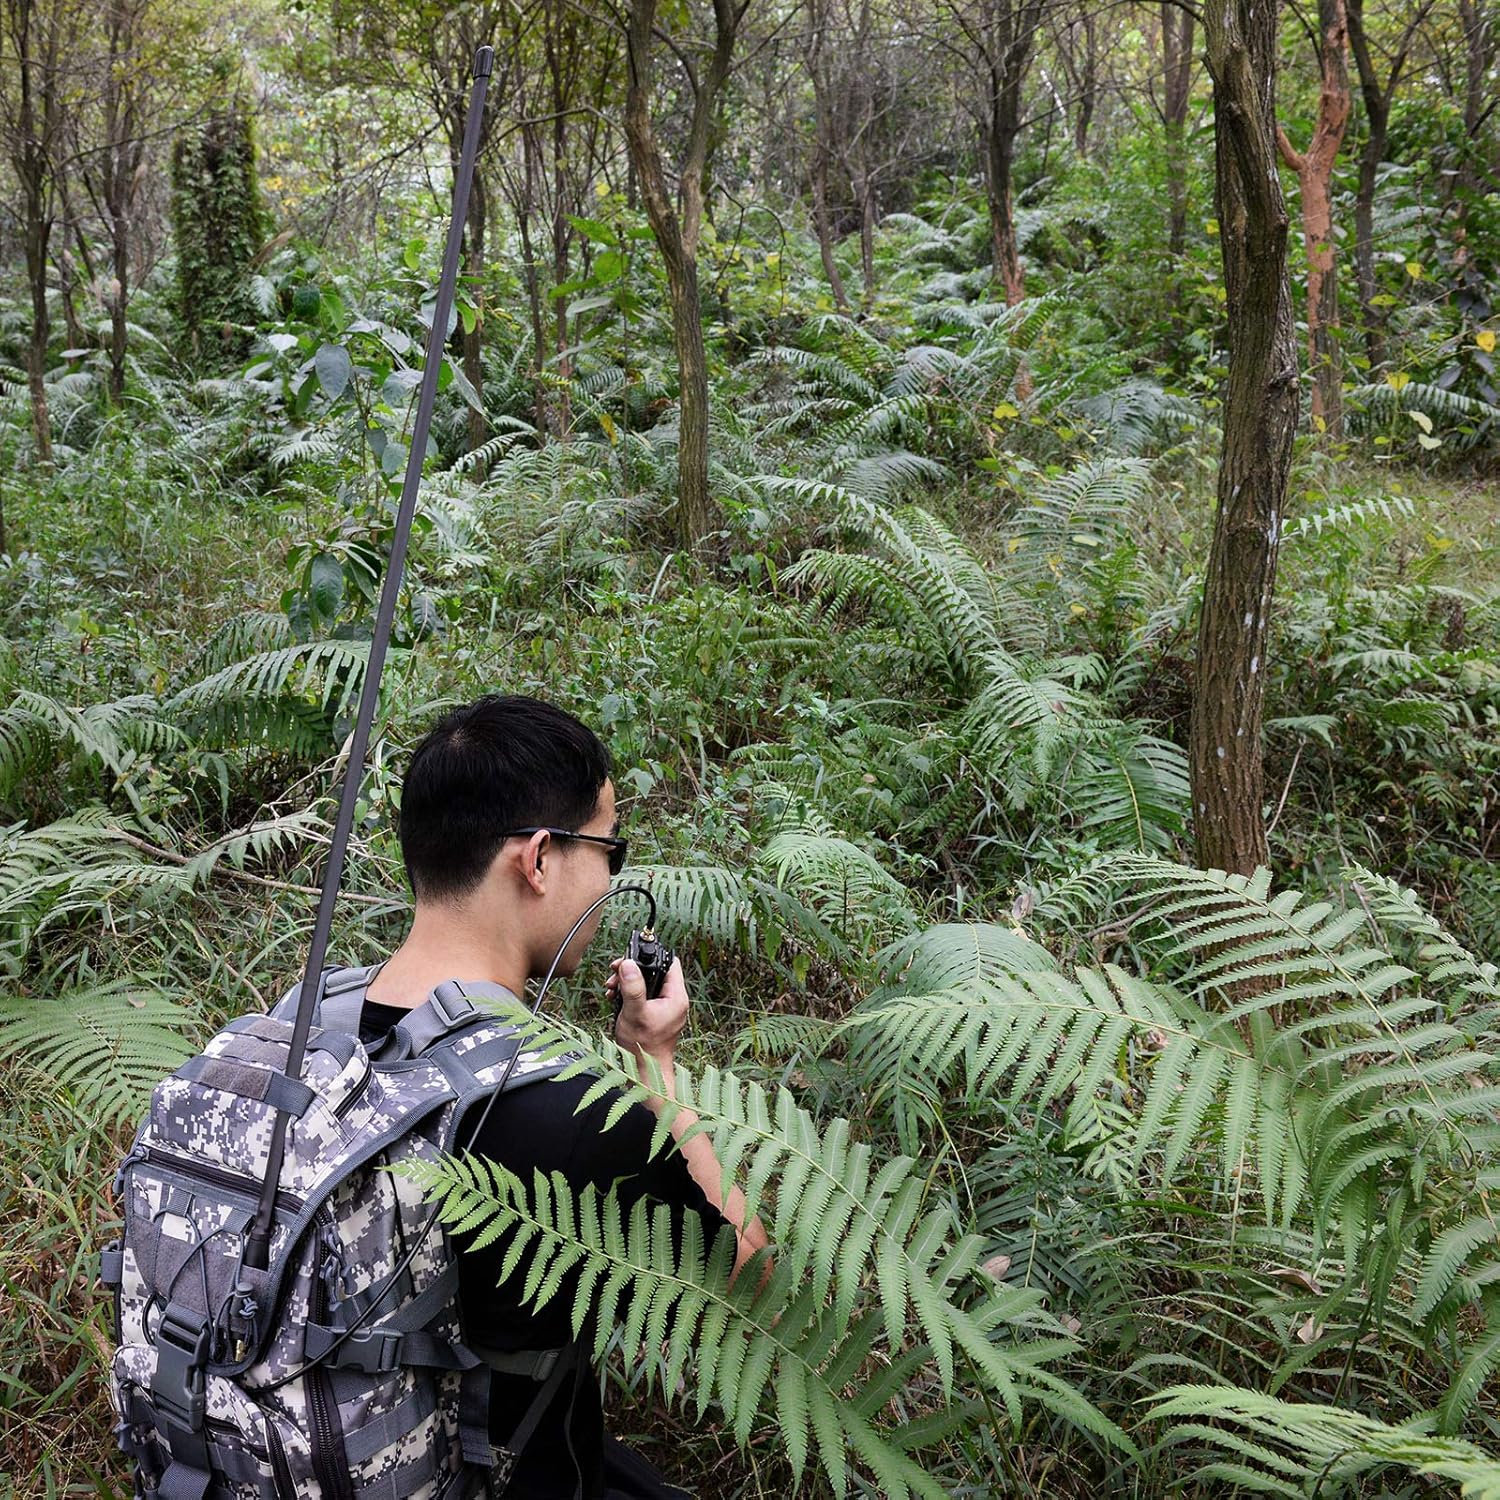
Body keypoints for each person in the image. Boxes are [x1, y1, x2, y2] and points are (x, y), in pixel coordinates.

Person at [355, 693, 769, 1499]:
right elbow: (750, 1280)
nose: (614, 875)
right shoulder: (563, 1117)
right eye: (610, 848)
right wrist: (654, 1064)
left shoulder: (294, 1035)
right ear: (538, 859)